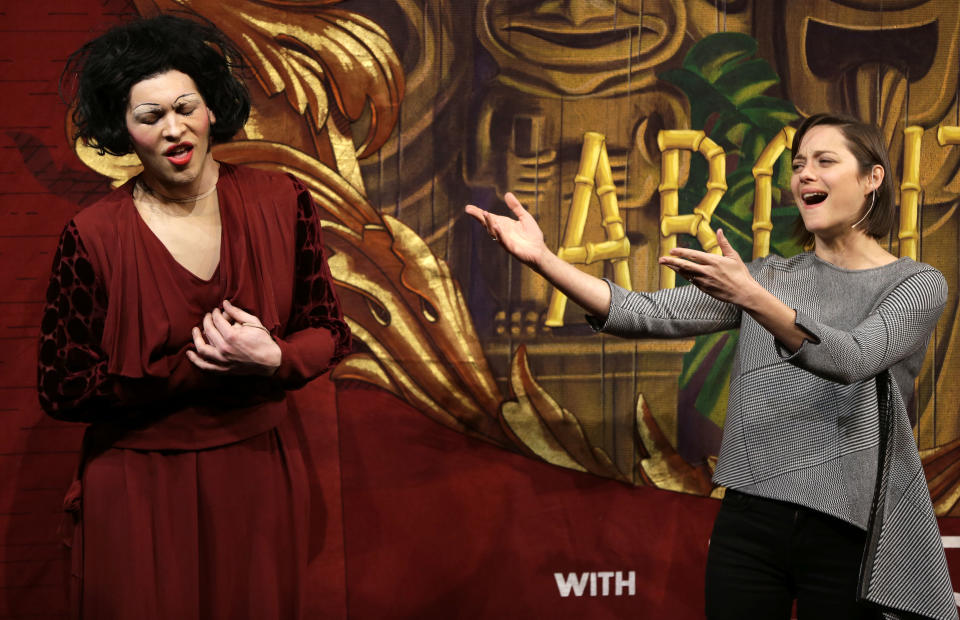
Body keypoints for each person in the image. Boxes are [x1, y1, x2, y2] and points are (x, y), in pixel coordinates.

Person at [466, 114, 957, 619]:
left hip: (847, 527)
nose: (805, 175)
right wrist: (543, 257)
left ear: (872, 178)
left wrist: (752, 297)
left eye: (825, 162)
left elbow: (852, 357)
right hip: (749, 521)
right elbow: (644, 313)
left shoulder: (916, 284)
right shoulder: (766, 278)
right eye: (799, 164)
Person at [38, 15, 350, 619]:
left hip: (258, 471)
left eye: (186, 107)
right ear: (124, 131)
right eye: (150, 117)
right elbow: (63, 386)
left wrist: (275, 359)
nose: (174, 129)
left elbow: (329, 330)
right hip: (137, 483)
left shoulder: (282, 200)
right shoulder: (92, 234)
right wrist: (195, 370)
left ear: (212, 109)